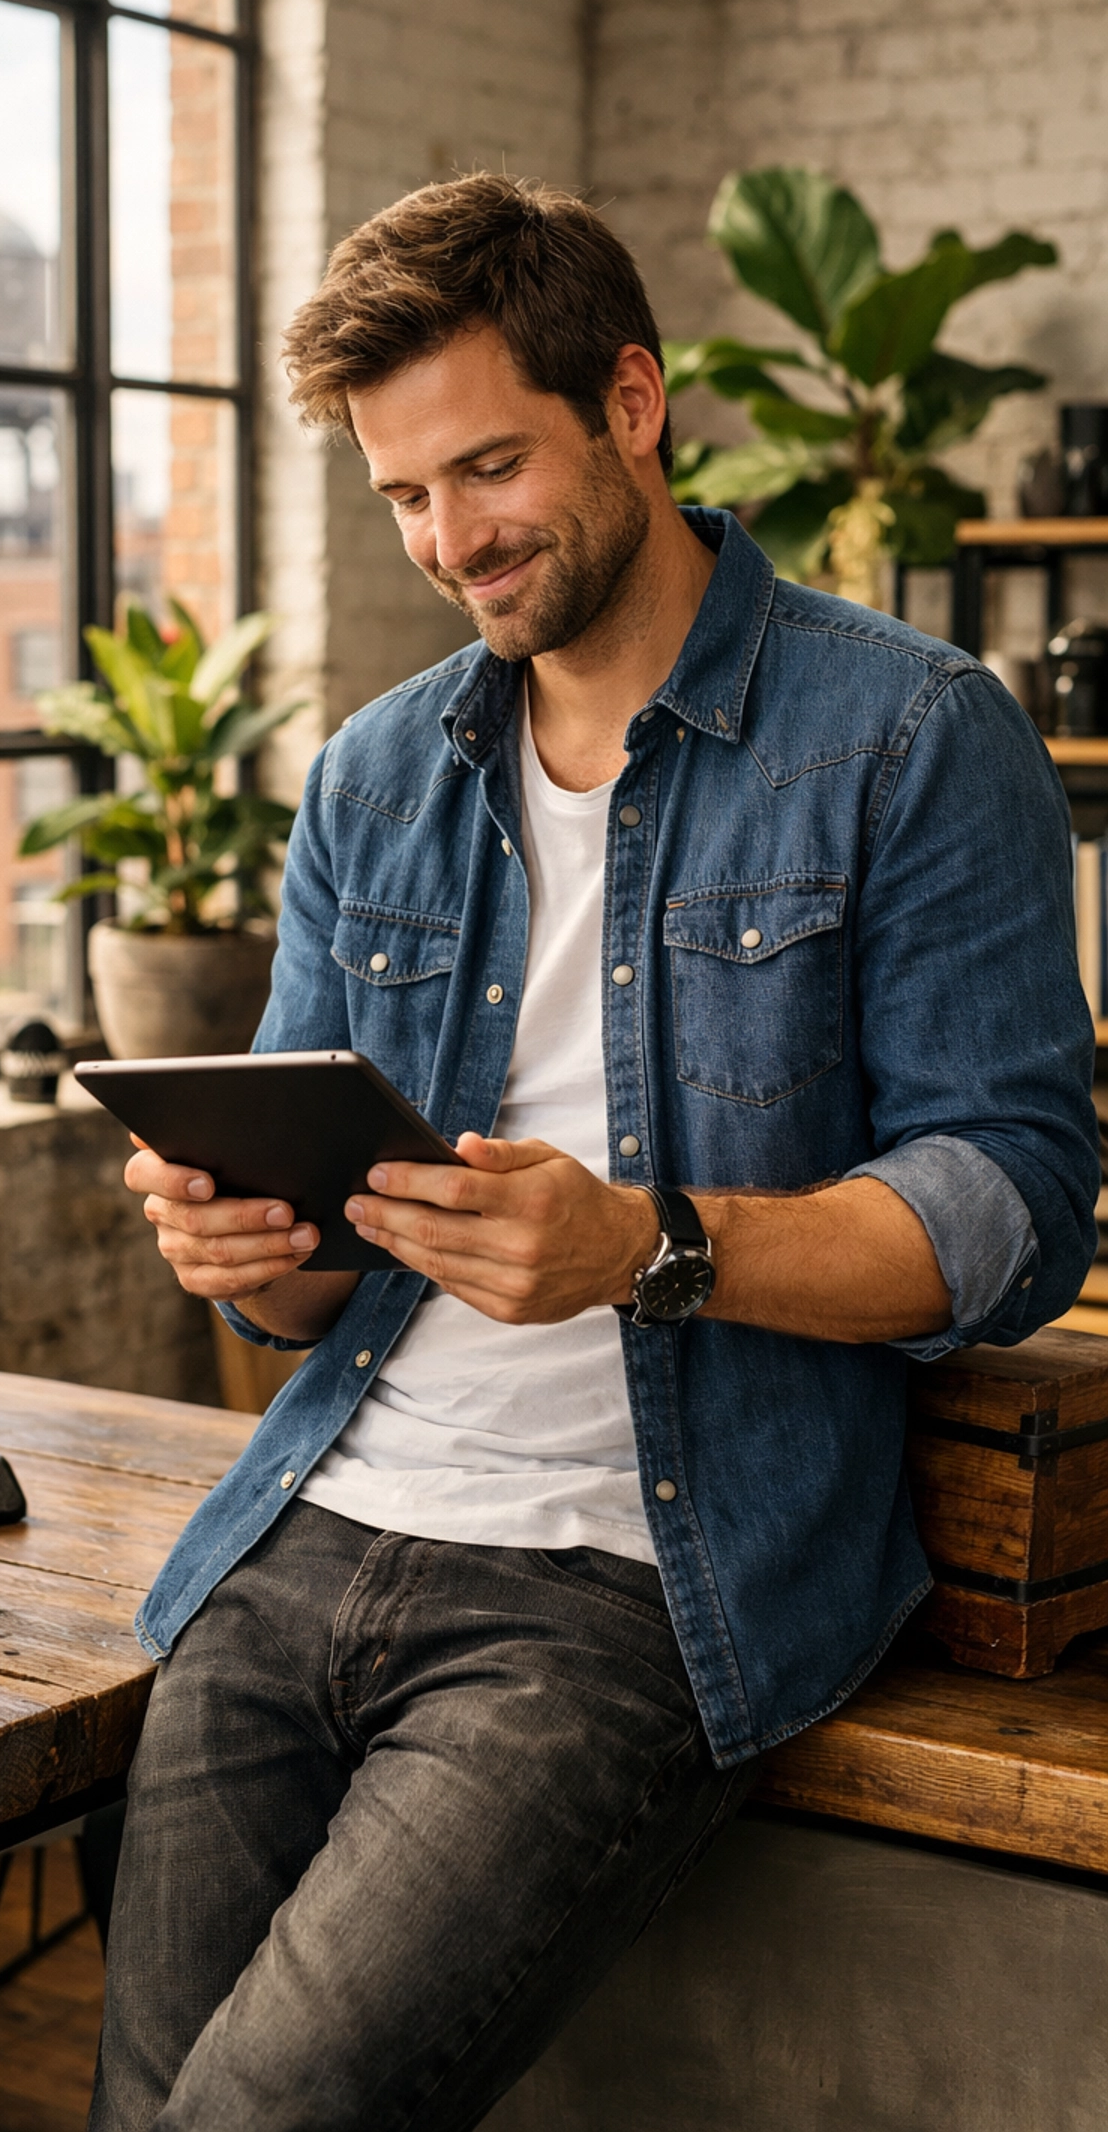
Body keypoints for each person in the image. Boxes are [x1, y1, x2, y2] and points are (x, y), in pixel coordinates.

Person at [87, 173, 1099, 2132]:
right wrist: (244, 1245)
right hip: (317, 1525)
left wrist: (650, 1248)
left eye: (487, 468)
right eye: (402, 497)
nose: (448, 544)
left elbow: (1019, 1205)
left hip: (629, 1575)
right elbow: (319, 1285)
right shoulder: (376, 775)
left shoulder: (912, 736)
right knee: (143, 2108)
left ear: (632, 402)